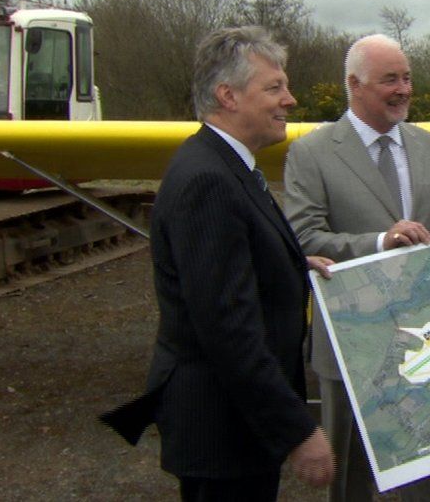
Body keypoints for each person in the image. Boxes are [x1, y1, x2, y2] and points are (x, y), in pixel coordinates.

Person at [100, 26, 334, 501]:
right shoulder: (208, 180)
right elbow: (228, 330)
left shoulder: (226, 163)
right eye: (274, 88)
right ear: (228, 96)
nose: (289, 100)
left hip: (235, 424)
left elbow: (230, 263)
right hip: (223, 430)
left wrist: (288, 265)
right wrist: (297, 431)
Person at [283, 33, 430, 501]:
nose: (403, 89)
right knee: (352, 480)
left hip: (429, 341)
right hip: (350, 339)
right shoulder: (311, 152)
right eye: (390, 80)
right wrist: (381, 241)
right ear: (355, 85)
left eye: (407, 78)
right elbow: (301, 237)